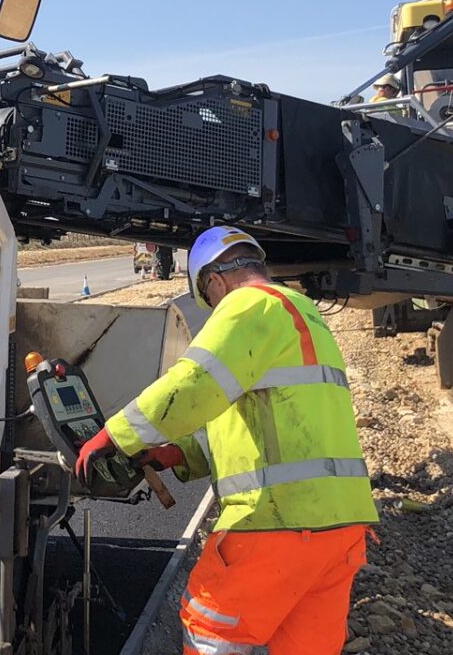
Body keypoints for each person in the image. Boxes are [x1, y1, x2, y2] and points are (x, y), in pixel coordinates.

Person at [75, 226, 377, 655]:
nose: (214, 308)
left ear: (214, 282)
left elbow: (194, 384)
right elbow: (263, 421)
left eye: (209, 300)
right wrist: (176, 452)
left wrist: (114, 435)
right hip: (340, 530)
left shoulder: (245, 306)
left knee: (210, 627)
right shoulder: (305, 313)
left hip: (279, 523)